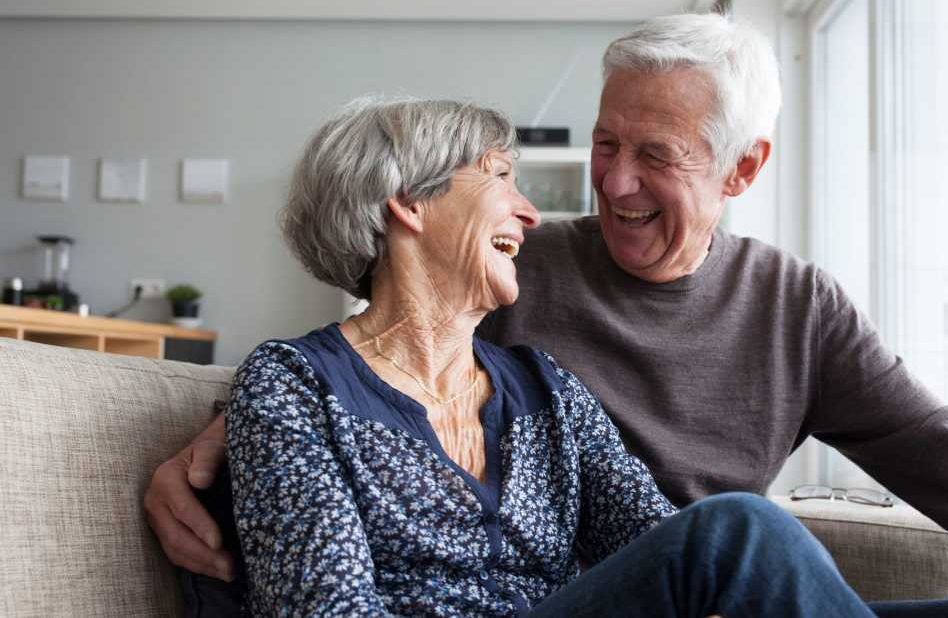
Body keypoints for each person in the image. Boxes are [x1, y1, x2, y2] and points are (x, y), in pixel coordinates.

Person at [144, 14, 948, 612]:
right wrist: (222, 439)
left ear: (740, 170)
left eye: (655, 155)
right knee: (743, 531)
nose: (610, 182)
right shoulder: (513, 277)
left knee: (738, 542)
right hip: (659, 579)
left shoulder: (788, 311)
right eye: (605, 143)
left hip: (703, 591)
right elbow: (359, 370)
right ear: (409, 204)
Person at [217, 95, 873, 616]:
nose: (530, 214)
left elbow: (658, 548)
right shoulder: (295, 384)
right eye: (501, 177)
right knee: (740, 532)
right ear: (410, 203)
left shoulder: (545, 387)